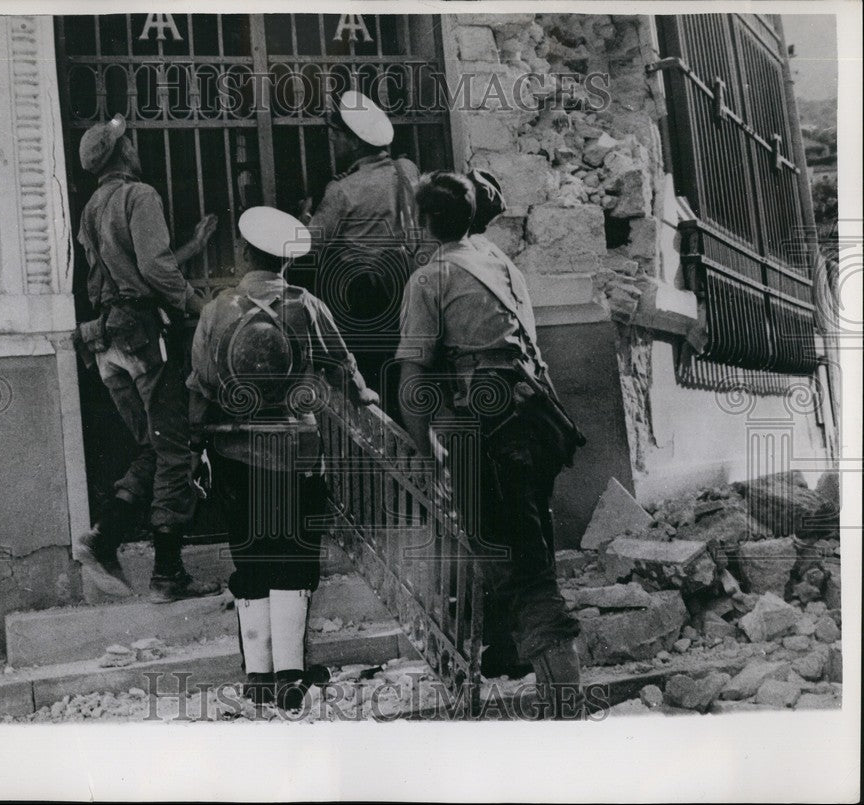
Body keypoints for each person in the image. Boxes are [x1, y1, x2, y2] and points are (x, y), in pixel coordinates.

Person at [395, 171, 587, 719]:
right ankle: (506, 653)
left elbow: (413, 377)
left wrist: (422, 444)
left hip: (492, 429)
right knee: (520, 538)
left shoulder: (429, 278)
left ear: (421, 221)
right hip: (536, 417)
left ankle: (566, 705)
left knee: (522, 562)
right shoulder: (500, 263)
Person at [187, 206, 378, 709]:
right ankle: (293, 677)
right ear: (286, 262)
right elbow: (341, 365)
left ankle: (258, 679)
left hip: (232, 450)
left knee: (250, 554)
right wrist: (366, 399)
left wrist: (196, 442)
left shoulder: (216, 309)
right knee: (294, 554)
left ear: (245, 253)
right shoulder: (306, 305)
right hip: (296, 448)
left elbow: (201, 384)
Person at [72, 113, 221, 604]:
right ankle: (168, 574)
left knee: (154, 445)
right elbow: (154, 270)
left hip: (107, 342)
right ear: (123, 154)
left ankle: (103, 537)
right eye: (127, 142)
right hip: (142, 337)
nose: (134, 146)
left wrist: (193, 247)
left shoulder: (93, 205)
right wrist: (197, 306)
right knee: (176, 450)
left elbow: (125, 272)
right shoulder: (141, 195)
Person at [296, 90, 420, 403]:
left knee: (369, 372)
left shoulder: (342, 189)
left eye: (336, 136)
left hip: (363, 295)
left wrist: (306, 215)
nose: (333, 142)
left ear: (354, 141)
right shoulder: (407, 169)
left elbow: (308, 246)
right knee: (404, 367)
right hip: (407, 284)